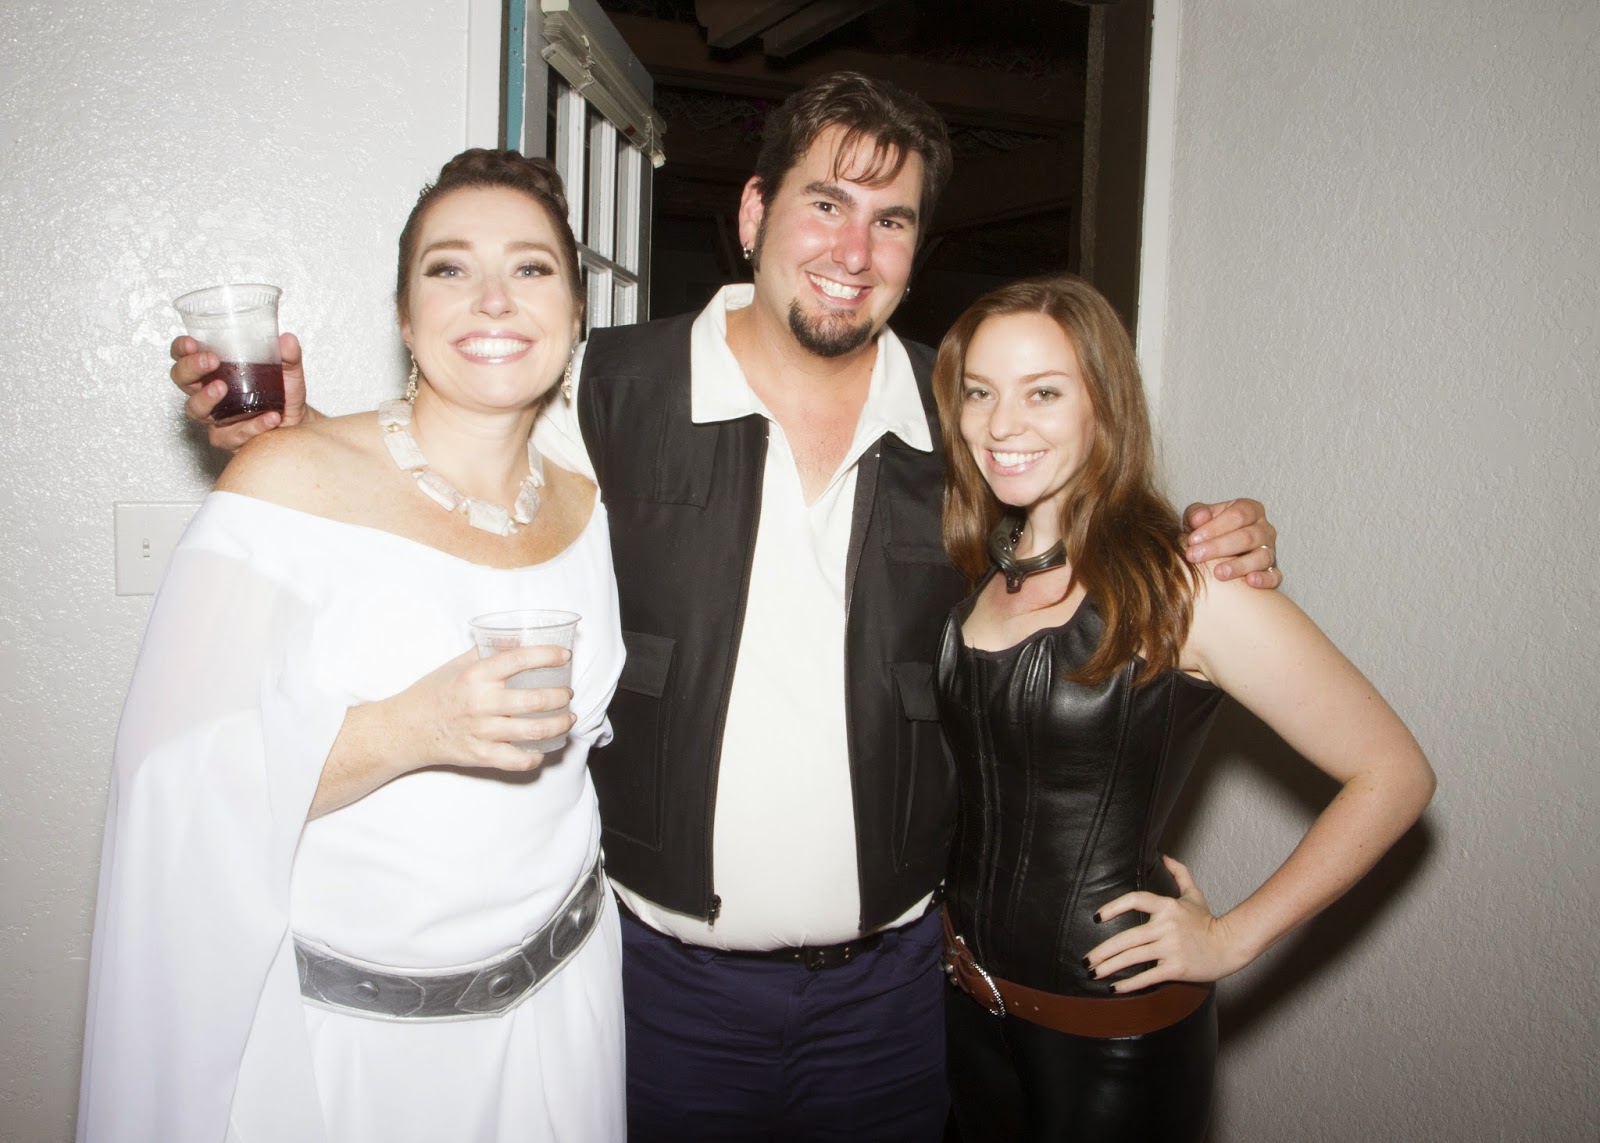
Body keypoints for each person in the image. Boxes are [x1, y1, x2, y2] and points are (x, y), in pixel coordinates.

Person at [171, 73, 1282, 1141]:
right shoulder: (602, 391)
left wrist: (1204, 539)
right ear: (754, 214)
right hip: (659, 988)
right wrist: (304, 441)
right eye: (825, 204)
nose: (853, 250)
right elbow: (448, 460)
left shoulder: (965, 424)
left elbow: (1078, 519)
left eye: (891, 221)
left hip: (894, 996)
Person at [79, 151, 628, 1142]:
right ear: (405, 319)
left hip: (564, 1014)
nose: (494, 298)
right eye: (450, 268)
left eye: (532, 267)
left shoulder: (587, 506)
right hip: (363, 1058)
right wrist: (413, 727)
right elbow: (167, 781)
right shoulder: (284, 481)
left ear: (577, 312)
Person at [931, 274, 1436, 1142]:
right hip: (962, 1013)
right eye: (980, 392)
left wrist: (1232, 938)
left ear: (1104, 405)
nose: (1002, 424)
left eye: (1043, 392)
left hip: (1113, 1039)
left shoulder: (1188, 587)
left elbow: (1394, 774)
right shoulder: (982, 567)